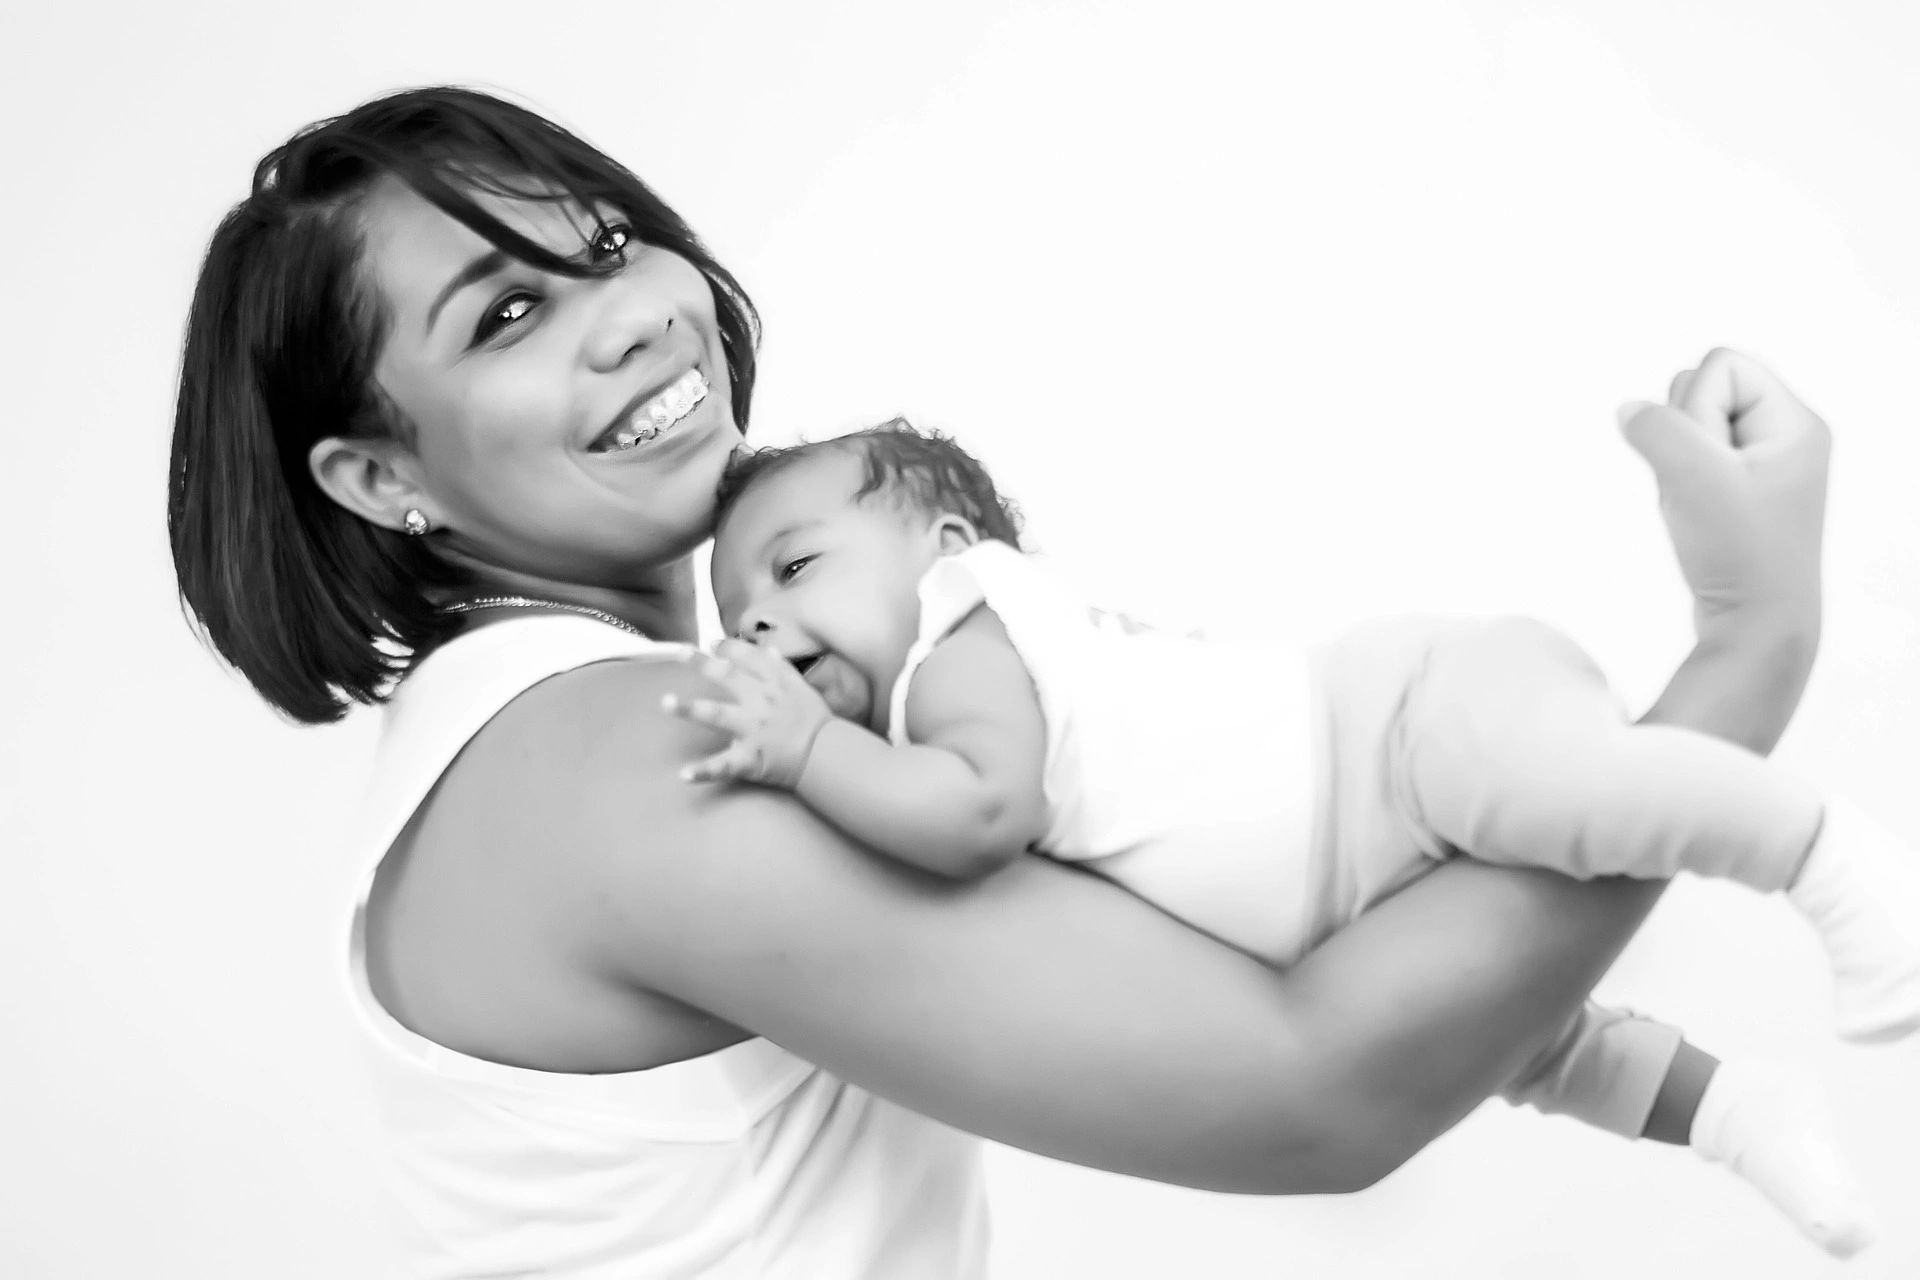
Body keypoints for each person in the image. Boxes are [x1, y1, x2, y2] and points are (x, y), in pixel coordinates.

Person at [168, 85, 1842, 1278]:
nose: (630, 320)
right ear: (381, 485)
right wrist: (1749, 645)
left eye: (607, 247)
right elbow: (1311, 1095)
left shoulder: (551, 733)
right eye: (508, 313)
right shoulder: (644, 755)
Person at [681, 415, 1920, 1256]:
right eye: (737, 614)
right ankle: (1740, 1110)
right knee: (1528, 1044)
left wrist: (800, 748)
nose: (763, 626)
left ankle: (1822, 854)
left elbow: (981, 817)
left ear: (948, 550)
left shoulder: (962, 638)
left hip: (1394, 734)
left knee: (1585, 794)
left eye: (794, 567)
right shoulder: (924, 709)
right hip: (1346, 886)